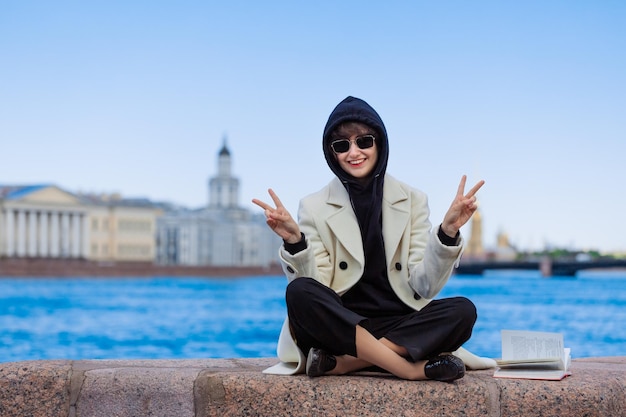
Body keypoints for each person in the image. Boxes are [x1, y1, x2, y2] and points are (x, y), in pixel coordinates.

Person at [253, 96, 491, 381]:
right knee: (299, 292)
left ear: (380, 143)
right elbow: (319, 285)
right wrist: (295, 243)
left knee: (463, 311)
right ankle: (407, 368)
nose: (354, 152)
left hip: (398, 323)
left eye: (363, 141)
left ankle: (344, 364)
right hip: (342, 324)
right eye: (342, 145)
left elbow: (424, 285)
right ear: (332, 154)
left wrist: (448, 233)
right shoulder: (314, 205)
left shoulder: (413, 200)